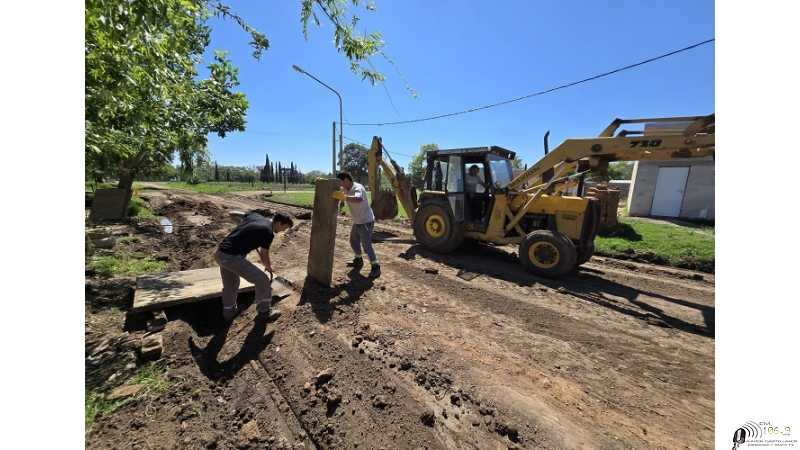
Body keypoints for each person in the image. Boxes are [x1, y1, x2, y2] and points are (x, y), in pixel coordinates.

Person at [215, 211, 294, 322]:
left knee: (231, 285)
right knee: (263, 280)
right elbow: (264, 254)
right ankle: (264, 312)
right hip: (232, 258)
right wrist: (268, 267)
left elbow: (232, 213)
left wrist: (244, 228)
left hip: (220, 254)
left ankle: (229, 312)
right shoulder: (268, 232)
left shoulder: (256, 216)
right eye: (284, 228)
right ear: (279, 223)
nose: (282, 231)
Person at [333, 172, 381, 278]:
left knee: (366, 245)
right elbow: (342, 196)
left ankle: (376, 266)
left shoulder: (357, 187)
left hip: (366, 221)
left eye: (341, 182)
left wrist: (344, 197)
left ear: (346, 180)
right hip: (358, 221)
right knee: (353, 240)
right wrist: (341, 202)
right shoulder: (345, 189)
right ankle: (358, 259)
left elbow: (358, 199)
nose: (340, 185)